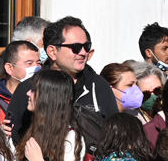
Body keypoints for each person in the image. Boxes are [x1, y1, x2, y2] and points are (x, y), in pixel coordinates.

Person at [8, 16, 119, 144]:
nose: (83, 52)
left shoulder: (98, 86)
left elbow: (115, 135)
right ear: (52, 51)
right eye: (76, 47)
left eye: (86, 46)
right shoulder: (29, 89)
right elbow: (16, 140)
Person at [0, 41, 42, 121]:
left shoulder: (43, 96)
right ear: (9, 68)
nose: (36, 67)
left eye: (38, 63)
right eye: (29, 63)